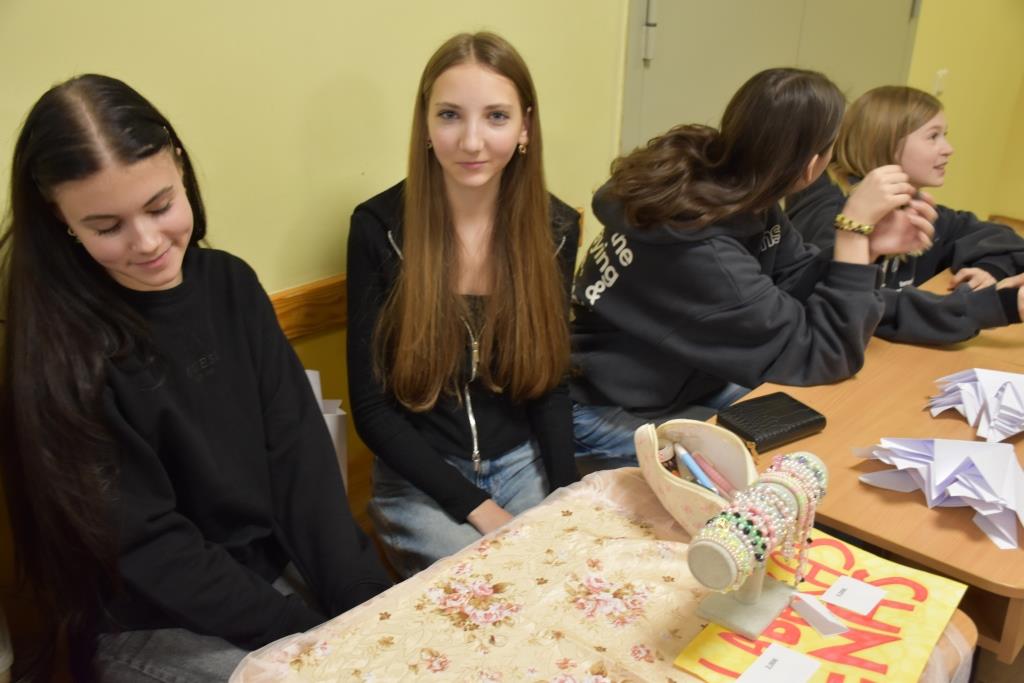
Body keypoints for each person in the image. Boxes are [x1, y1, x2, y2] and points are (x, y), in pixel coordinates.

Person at [0, 74, 390, 682]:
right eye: (107, 227)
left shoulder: (230, 285)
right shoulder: (61, 355)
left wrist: (369, 608)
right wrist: (303, 641)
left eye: (160, 207)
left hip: (264, 576)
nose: (147, 243)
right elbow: (149, 550)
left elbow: (302, 463)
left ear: (179, 167)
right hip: (152, 619)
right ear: (61, 219)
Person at [570, 68, 936, 469]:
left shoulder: (731, 190)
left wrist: (866, 246)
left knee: (829, 421)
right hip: (610, 408)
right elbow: (825, 356)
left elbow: (796, 279)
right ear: (811, 165)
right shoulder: (704, 249)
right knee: (780, 468)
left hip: (683, 380)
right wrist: (851, 234)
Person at [347, 32, 580, 578]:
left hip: (521, 463)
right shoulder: (379, 228)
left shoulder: (557, 229)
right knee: (490, 585)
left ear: (525, 127)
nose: (472, 141)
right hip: (420, 480)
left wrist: (569, 498)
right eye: (450, 115)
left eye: (496, 117)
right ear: (426, 126)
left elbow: (550, 384)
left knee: (566, 573)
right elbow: (373, 411)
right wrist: (481, 509)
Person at [787, 85, 1024, 344]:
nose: (948, 149)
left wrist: (990, 269)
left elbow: (997, 236)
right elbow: (856, 304)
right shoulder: (835, 212)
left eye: (944, 135)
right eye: (933, 136)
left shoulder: (911, 203)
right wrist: (987, 306)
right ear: (885, 141)